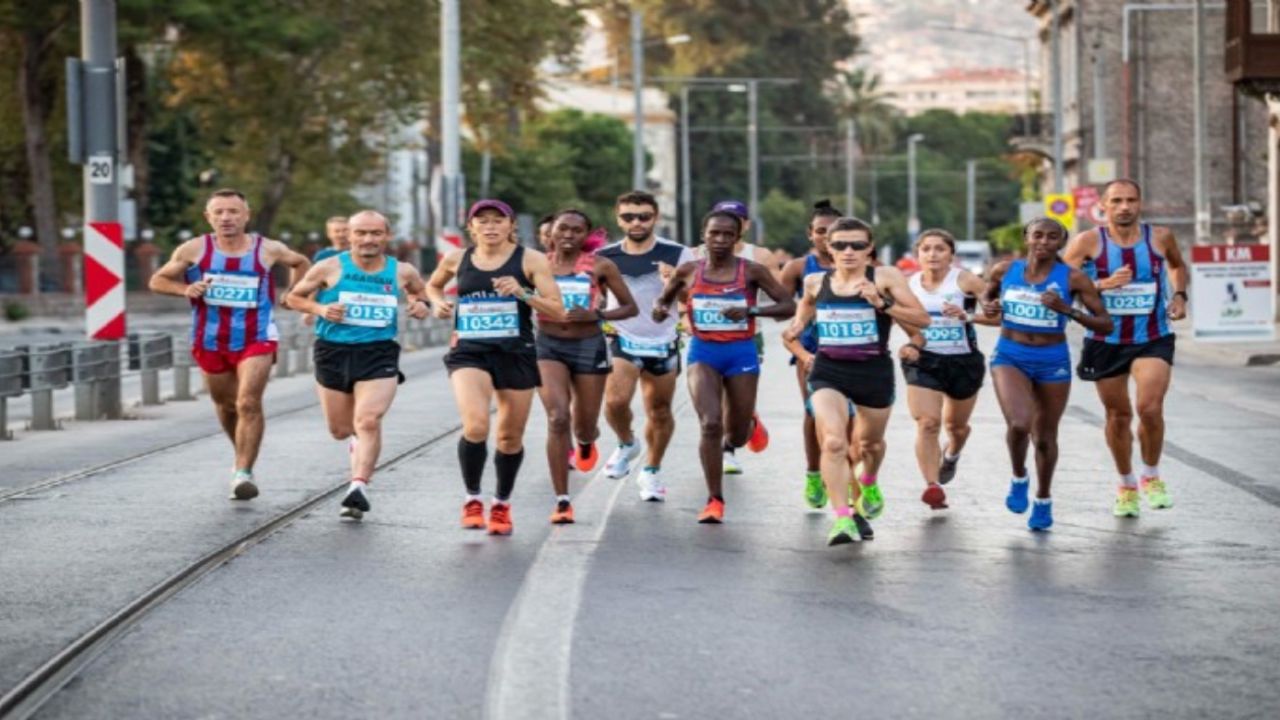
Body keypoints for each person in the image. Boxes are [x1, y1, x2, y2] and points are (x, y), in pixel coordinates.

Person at [149, 188, 310, 500]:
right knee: (226, 404)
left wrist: (293, 294)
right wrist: (185, 289)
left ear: (246, 216)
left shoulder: (268, 248)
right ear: (208, 217)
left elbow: (300, 261)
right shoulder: (194, 248)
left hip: (257, 336)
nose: (226, 218)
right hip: (210, 339)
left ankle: (243, 471)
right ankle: (242, 450)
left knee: (248, 401)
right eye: (219, 212)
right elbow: (157, 280)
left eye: (233, 211)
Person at [782, 218, 931, 545]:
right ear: (827, 248)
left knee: (869, 446)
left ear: (870, 248)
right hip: (828, 371)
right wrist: (797, 345)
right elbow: (794, 328)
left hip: (872, 373)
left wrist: (882, 303)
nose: (848, 252)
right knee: (834, 442)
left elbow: (922, 320)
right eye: (839, 245)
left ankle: (870, 479)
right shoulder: (814, 282)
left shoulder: (886, 277)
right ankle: (842, 519)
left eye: (857, 245)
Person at [426, 200, 563, 536]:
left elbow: (558, 310)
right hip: (469, 350)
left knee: (509, 436)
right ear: (471, 228)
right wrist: (437, 302)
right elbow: (432, 284)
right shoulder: (457, 258)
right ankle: (473, 499)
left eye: (497, 221)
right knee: (475, 425)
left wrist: (523, 293)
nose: (490, 227)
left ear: (510, 226)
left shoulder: (530, 259)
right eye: (482, 221)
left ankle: (501, 504)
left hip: (516, 351)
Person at [285, 210, 431, 519]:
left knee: (368, 420)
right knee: (341, 429)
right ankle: (359, 447)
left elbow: (420, 293)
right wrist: (320, 308)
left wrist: (421, 305)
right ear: (349, 236)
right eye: (361, 233)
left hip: (378, 353)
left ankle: (358, 486)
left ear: (387, 236)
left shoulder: (401, 270)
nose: (368, 239)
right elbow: (293, 298)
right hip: (333, 351)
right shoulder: (328, 266)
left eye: (376, 233)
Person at [652, 210, 794, 524]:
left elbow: (788, 305)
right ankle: (714, 499)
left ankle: (749, 426)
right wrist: (661, 310)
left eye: (727, 235)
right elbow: (663, 301)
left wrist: (750, 309)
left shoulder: (752, 271)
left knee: (737, 435)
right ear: (704, 235)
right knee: (710, 424)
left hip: (741, 352)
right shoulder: (688, 270)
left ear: (736, 238)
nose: (719, 240)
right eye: (714, 233)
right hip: (703, 353)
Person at [1062, 179, 1187, 517]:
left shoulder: (1160, 238)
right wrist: (1101, 284)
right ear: (1103, 205)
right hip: (1106, 339)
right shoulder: (1087, 241)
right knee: (1118, 416)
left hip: (1153, 336)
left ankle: (1151, 475)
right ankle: (1126, 483)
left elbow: (1177, 266)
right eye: (1116, 200)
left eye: (1131, 200)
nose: (1124, 207)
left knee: (1149, 408)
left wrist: (1178, 295)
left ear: (1140, 203)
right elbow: (1059, 285)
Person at [981, 218, 1113, 531]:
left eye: (1052, 237)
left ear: (1060, 243)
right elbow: (986, 296)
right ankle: (1018, 477)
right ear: (1026, 237)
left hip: (1052, 358)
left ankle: (1043, 497)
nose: (1043, 242)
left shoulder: (1074, 278)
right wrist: (989, 305)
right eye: (1037, 235)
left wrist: (1067, 310)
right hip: (1010, 354)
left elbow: (1105, 323)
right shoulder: (1005, 271)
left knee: (1044, 437)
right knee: (1019, 424)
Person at [536, 209, 638, 524]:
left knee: (583, 425)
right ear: (550, 232)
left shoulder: (600, 266)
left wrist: (597, 315)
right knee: (557, 417)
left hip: (588, 345)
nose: (568, 235)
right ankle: (563, 501)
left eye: (576, 230)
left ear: (586, 235)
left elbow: (630, 307)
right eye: (562, 229)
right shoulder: (537, 265)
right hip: (548, 346)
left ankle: (584, 441)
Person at [598, 191, 695, 501]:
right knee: (615, 402)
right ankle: (627, 442)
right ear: (618, 219)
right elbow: (595, 297)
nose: (636, 222)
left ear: (655, 218)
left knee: (660, 410)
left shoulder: (678, 253)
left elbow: (691, 299)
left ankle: (651, 470)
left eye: (643, 216)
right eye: (628, 216)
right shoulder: (605, 255)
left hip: (663, 339)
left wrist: (674, 285)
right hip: (622, 337)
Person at [897, 229, 999, 511]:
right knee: (928, 423)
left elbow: (998, 317)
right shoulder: (908, 285)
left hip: (963, 362)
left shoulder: (965, 280)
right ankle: (933, 486)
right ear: (917, 254)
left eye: (939, 249)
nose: (932, 254)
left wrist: (969, 316)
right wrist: (909, 344)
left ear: (951, 255)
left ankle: (952, 454)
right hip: (924, 359)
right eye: (926, 249)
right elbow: (891, 314)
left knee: (957, 427)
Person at [698, 199, 782, 475]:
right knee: (714, 398)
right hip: (706, 339)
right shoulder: (695, 254)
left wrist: (751, 309)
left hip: (747, 337)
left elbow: (779, 295)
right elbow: (679, 292)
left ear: (744, 225)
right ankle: (726, 450)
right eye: (718, 222)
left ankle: (736, 436)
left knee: (733, 399)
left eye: (735, 220)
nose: (721, 236)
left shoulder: (760, 256)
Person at [778, 199, 843, 509]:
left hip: (852, 352)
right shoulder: (798, 268)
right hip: (811, 350)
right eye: (820, 231)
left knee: (851, 418)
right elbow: (779, 306)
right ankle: (814, 473)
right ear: (810, 234)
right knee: (813, 411)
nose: (826, 237)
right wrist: (804, 315)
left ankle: (850, 478)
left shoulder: (859, 265)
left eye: (833, 231)